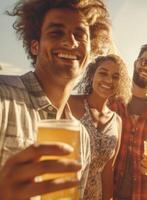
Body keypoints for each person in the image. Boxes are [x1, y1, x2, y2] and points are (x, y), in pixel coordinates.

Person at [0, 0, 110, 199]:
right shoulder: (3, 99)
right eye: (56, 32)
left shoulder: (81, 137)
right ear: (35, 46)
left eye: (80, 35)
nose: (71, 42)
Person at [69, 54, 131, 199]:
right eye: (103, 73)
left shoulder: (117, 121)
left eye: (115, 76)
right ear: (91, 75)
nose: (109, 80)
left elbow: (107, 170)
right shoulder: (70, 104)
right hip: (66, 193)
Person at [109, 43, 147, 199]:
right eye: (144, 62)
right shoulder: (113, 100)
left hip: (146, 195)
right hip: (109, 193)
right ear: (135, 63)